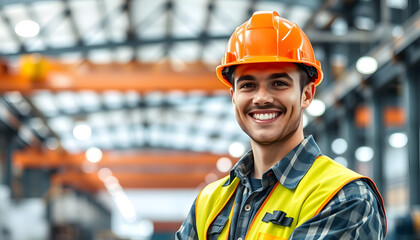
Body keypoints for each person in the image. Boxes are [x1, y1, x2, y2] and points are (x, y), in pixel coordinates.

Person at [176, 11, 386, 240]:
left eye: (279, 83)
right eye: (248, 85)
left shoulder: (344, 196)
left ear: (306, 94)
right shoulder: (207, 202)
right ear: (233, 96)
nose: (261, 98)